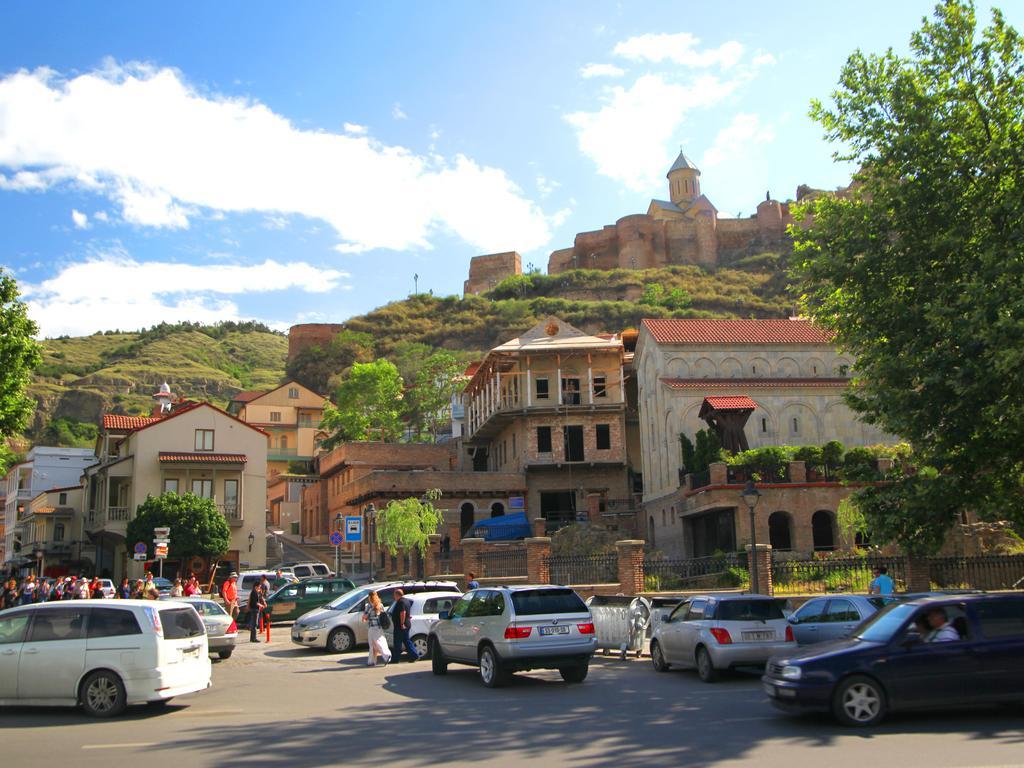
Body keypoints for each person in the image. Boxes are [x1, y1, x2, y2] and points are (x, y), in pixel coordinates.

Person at [361, 590, 392, 666]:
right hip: (379, 627)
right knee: (381, 641)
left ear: (369, 597)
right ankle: (386, 655)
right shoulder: (380, 605)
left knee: (372, 644)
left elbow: (365, 617)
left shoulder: (369, 606)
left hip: (372, 627)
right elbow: (383, 614)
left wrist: (365, 618)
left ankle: (372, 661)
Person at [390, 588, 419, 663]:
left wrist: (402, 624)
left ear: (397, 595)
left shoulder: (401, 602)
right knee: (406, 640)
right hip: (405, 624)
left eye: (394, 595)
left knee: (397, 642)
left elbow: (403, 612)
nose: (394, 597)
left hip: (401, 625)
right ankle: (414, 655)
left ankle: (395, 659)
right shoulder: (406, 601)